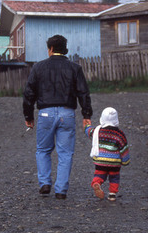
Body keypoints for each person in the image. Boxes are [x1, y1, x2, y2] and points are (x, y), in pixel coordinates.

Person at [23, 35, 92, 200]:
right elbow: (83, 92)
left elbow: (29, 93)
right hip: (67, 113)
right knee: (66, 153)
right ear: (64, 48)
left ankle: (45, 183)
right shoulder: (74, 68)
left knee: (42, 150)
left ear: (51, 49)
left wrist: (28, 115)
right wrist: (86, 114)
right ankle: (61, 190)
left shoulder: (38, 68)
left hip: (45, 113)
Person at [84, 107, 130, 201]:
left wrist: (87, 126)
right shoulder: (119, 134)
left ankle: (96, 183)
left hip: (100, 160)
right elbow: (124, 148)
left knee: (99, 174)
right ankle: (112, 194)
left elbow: (89, 132)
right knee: (114, 177)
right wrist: (125, 161)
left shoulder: (97, 131)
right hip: (115, 162)